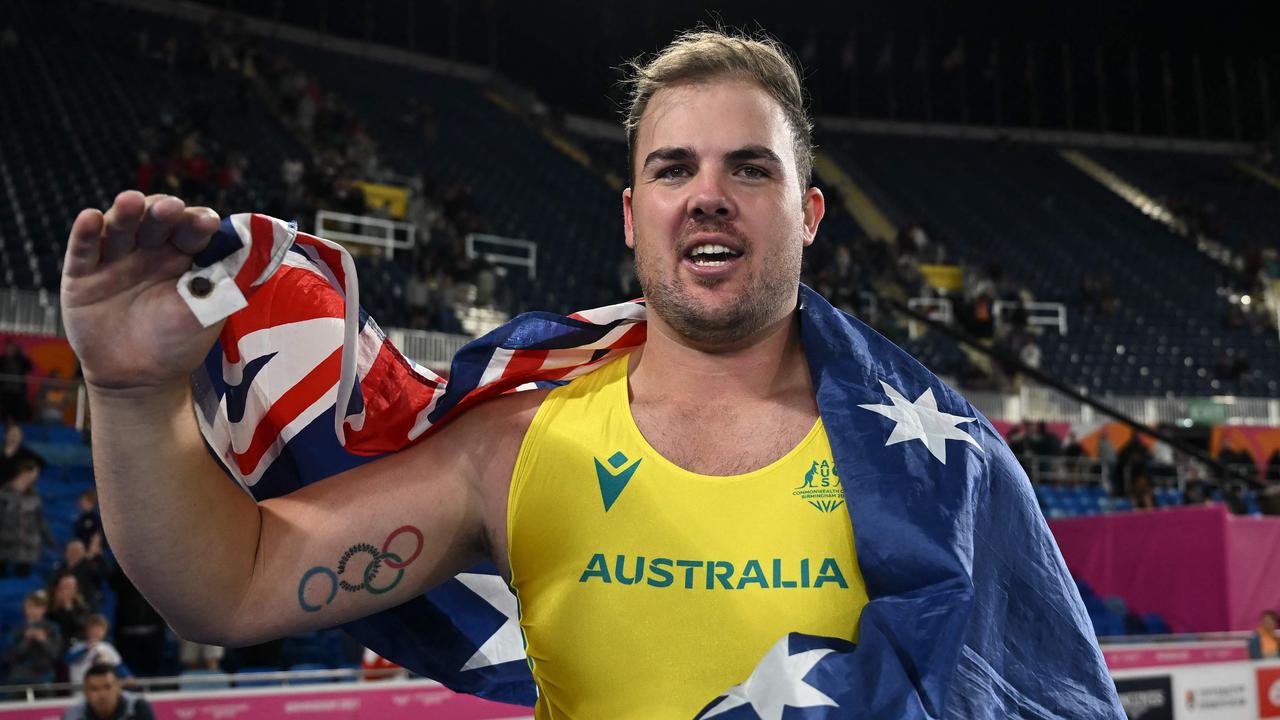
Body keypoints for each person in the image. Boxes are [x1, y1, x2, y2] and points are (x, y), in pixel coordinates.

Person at [60, 29, 1121, 718]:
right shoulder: (518, 447)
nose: (707, 195)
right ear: (631, 215)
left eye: (749, 169)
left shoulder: (941, 473)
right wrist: (131, 394)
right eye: (672, 168)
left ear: (806, 216)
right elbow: (228, 585)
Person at [0, 457, 56, 577]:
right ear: (24, 472)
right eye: (34, 473)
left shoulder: (34, 494)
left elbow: (40, 520)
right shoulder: (4, 493)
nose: (36, 476)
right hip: (5, 547)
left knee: (23, 582)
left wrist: (51, 542)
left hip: (28, 550)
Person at [3, 590, 62, 691]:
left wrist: (44, 640)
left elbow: (55, 654)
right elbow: (12, 656)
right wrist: (27, 639)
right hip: (20, 678)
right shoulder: (16, 629)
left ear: (44, 609)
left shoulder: (52, 628)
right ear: (25, 608)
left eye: (38, 606)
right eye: (31, 606)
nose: (34, 610)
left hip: (44, 678)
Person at [62, 664, 155, 720]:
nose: (102, 694)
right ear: (86, 693)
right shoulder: (72, 716)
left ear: (118, 688)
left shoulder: (138, 708)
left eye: (107, 687)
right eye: (94, 689)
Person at [66, 615, 128, 688]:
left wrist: (128, 676)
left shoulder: (108, 647)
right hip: (80, 688)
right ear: (87, 630)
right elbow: (67, 659)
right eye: (94, 629)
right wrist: (85, 649)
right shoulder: (78, 646)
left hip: (103, 688)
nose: (97, 632)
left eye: (100, 630)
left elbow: (119, 665)